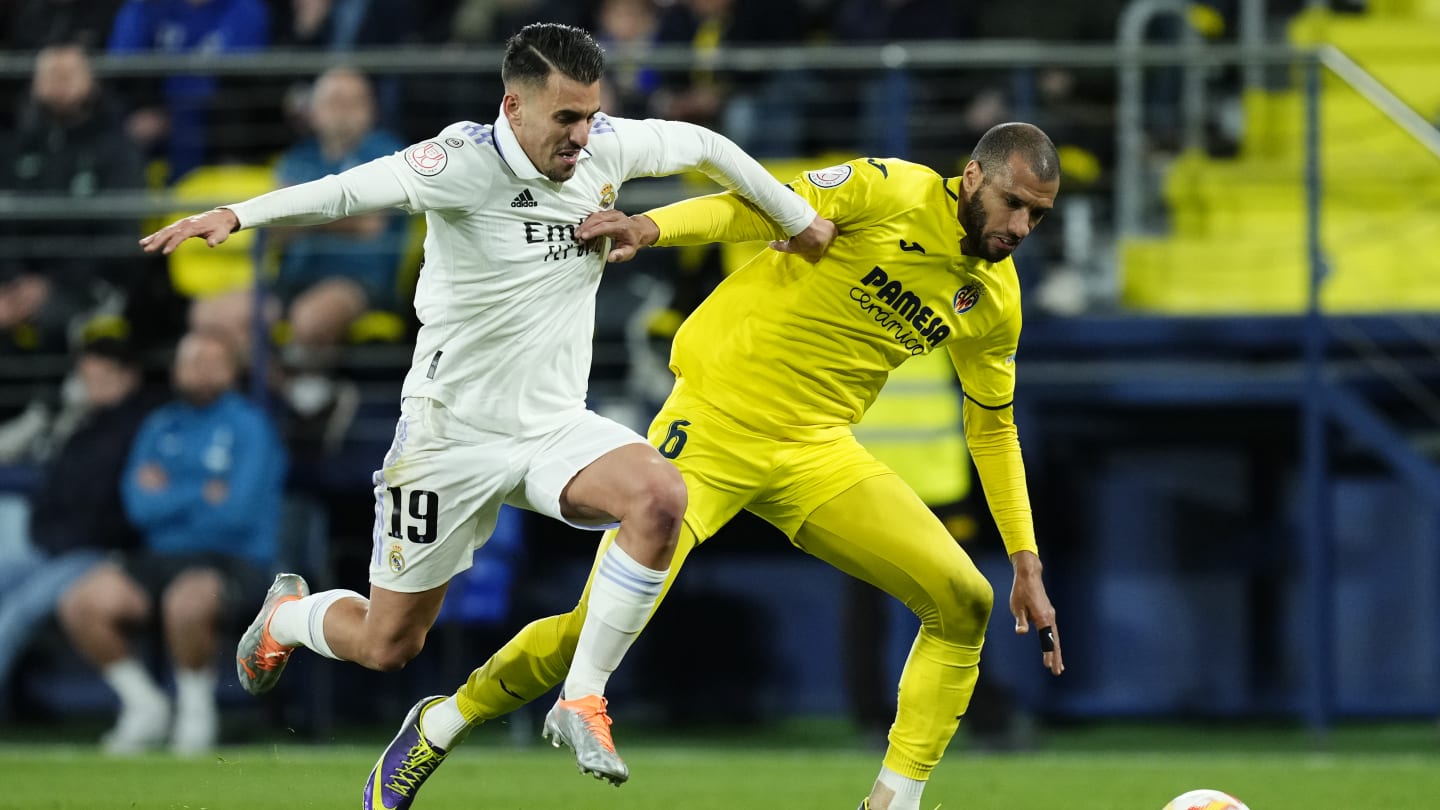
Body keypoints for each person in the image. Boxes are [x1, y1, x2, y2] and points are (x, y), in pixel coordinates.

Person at [139, 22, 829, 804]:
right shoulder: (459, 163)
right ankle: (290, 618)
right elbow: (344, 190)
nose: (583, 134)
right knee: (387, 644)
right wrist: (236, 215)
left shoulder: (605, 147)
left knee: (660, 496)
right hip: (448, 437)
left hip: (553, 427)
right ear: (514, 107)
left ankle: (582, 697)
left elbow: (706, 145)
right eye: (565, 118)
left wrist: (797, 221)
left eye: (590, 114)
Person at [441, 122, 1068, 810]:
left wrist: (1025, 560)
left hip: (815, 450)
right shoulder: (889, 190)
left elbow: (993, 426)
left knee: (964, 601)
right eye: (1013, 202)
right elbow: (754, 206)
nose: (1021, 226)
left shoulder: (995, 299)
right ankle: (444, 723)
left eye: (1038, 214)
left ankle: (894, 802)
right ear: (973, 176)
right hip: (715, 424)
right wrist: (650, 228)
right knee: (586, 630)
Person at [57, 329, 286, 755]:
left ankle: (196, 714)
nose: (199, 371)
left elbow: (235, 514)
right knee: (82, 602)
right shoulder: (159, 424)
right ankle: (144, 705)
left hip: (234, 560)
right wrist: (203, 491)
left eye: (210, 362)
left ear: (231, 370)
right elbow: (137, 506)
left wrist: (170, 492)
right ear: (176, 369)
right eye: (191, 361)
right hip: (159, 554)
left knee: (188, 601)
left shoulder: (250, 426)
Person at [189, 66, 408, 451]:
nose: (343, 111)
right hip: (293, 278)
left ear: (371, 110)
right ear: (314, 112)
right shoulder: (297, 158)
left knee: (310, 318)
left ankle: (306, 395)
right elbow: (275, 225)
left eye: (353, 101)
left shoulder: (389, 152)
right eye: (333, 101)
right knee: (211, 315)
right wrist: (324, 215)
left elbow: (368, 223)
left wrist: (301, 212)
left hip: (360, 281)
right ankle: (303, 394)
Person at [0, 338, 154, 696]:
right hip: (49, 545)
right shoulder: (82, 425)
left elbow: (116, 509)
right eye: (88, 378)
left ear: (129, 376)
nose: (94, 386)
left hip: (96, 552)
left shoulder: (143, 427)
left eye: (104, 376)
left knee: (15, 614)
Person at [0, 44, 149, 356]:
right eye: (51, 74)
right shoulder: (16, 146)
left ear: (91, 81)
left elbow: (119, 235)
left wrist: (51, 284)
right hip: (17, 281)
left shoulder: (117, 149)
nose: (59, 83)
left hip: (89, 281)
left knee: (52, 319)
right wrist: (12, 281)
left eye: (68, 74)